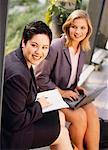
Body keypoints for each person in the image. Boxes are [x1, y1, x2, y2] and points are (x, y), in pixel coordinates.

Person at [1, 20, 73, 150]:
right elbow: (15, 121)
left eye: (45, 47)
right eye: (34, 45)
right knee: (63, 134)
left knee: (60, 116)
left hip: (20, 116)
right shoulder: (18, 75)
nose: (39, 52)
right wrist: (39, 105)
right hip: (11, 135)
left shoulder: (18, 58)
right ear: (24, 42)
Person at [35, 10, 100, 150]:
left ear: (88, 30)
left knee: (92, 111)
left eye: (82, 28)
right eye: (74, 27)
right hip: (50, 96)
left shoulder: (82, 48)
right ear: (68, 27)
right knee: (80, 117)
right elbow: (40, 78)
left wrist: (74, 87)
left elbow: (70, 74)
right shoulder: (56, 47)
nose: (78, 31)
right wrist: (62, 92)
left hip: (67, 93)